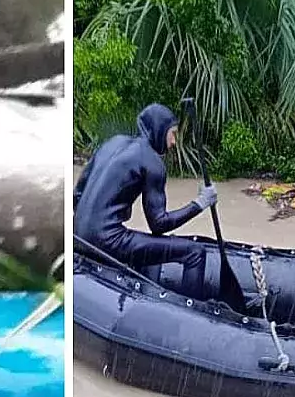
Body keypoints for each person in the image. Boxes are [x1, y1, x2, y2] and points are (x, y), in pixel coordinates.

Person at [73, 103, 218, 299]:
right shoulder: (152, 162)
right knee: (195, 252)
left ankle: (145, 294)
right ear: (159, 131)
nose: (174, 142)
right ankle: (193, 312)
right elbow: (159, 224)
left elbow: (77, 196)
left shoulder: (111, 143)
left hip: (78, 238)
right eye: (173, 134)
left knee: (146, 243)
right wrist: (200, 203)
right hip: (106, 242)